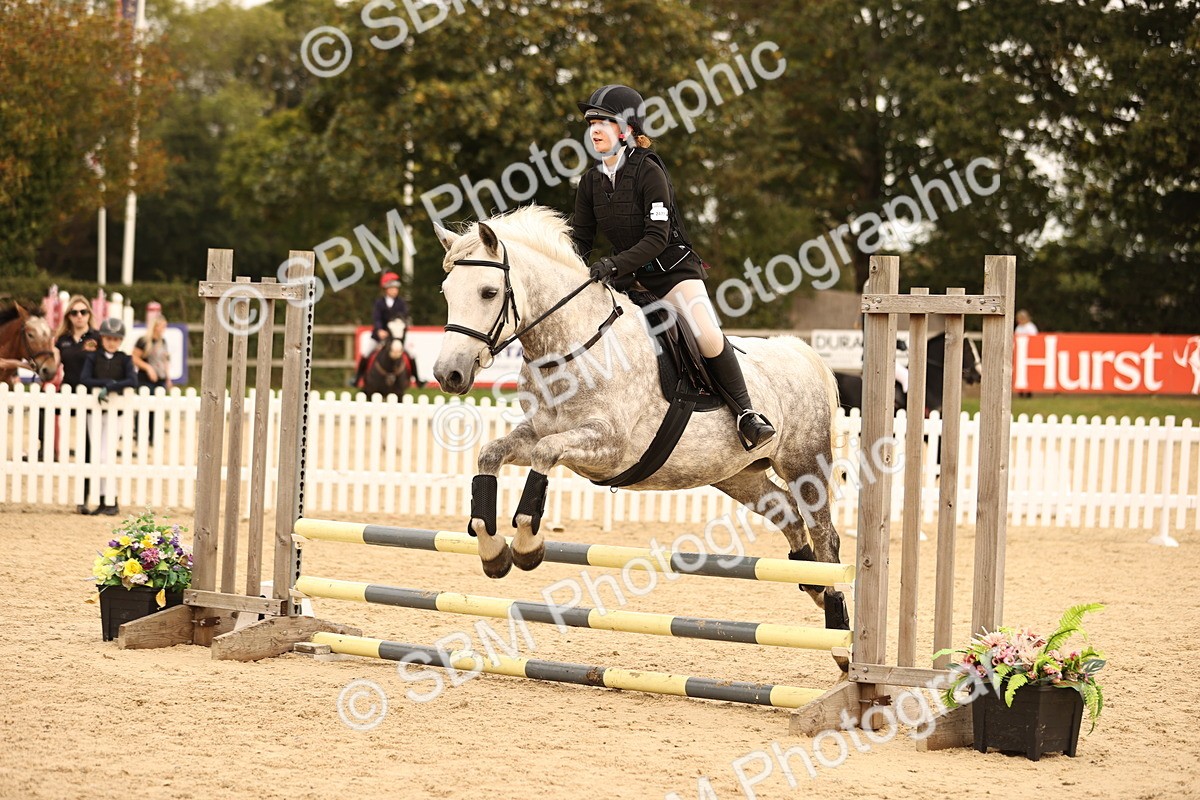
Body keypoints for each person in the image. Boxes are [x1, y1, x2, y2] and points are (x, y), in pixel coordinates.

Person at [569, 84, 774, 449]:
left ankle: (746, 414)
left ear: (627, 129)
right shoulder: (590, 182)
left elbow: (656, 238)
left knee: (706, 333)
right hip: (629, 280)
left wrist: (612, 265)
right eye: (591, 123)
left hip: (673, 272)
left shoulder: (649, 172)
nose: (594, 130)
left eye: (603, 122)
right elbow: (580, 242)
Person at [79, 318, 137, 515]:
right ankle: (104, 501)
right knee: (98, 456)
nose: (112, 342)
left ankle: (111, 500)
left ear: (120, 341)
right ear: (102, 338)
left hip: (116, 415)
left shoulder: (125, 358)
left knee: (106, 455)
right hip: (95, 414)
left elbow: (132, 380)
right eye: (108, 338)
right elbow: (85, 379)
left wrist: (110, 386)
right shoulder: (93, 358)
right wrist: (107, 382)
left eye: (115, 339)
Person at [54, 296, 101, 513]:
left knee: (88, 446)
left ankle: (83, 498)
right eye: (74, 313)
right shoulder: (60, 339)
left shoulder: (97, 337)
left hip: (91, 396)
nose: (79, 316)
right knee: (44, 419)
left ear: (90, 314)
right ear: (68, 316)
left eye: (83, 312)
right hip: (67, 393)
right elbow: (52, 366)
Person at [353, 272, 411, 387]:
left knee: (412, 354)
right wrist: (380, 330)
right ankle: (357, 378)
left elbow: (404, 317)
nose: (395, 290)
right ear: (386, 289)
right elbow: (377, 318)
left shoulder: (401, 303)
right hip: (380, 336)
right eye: (392, 288)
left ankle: (417, 380)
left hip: (396, 337)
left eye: (396, 288)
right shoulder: (379, 303)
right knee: (365, 353)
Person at [132, 314, 171, 444]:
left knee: (157, 409)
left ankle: (153, 438)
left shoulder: (163, 341)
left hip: (160, 379)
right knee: (144, 408)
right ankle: (140, 436)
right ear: (155, 326)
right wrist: (148, 368)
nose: (164, 329)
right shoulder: (143, 341)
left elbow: (165, 360)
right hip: (145, 378)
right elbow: (134, 358)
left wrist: (168, 377)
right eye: (162, 326)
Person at [1014, 310, 1037, 398]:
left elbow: (1034, 340)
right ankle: (1021, 391)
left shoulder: (1030, 327)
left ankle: (1028, 392)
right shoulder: (1019, 328)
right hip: (1020, 354)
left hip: (1028, 353)